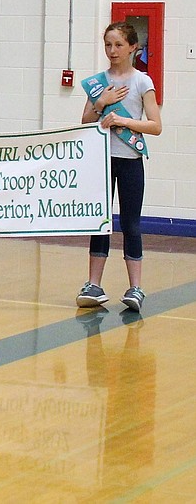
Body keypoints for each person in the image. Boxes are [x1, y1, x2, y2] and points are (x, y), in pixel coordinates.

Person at [76, 21, 162, 312]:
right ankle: (93, 284)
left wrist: (123, 120)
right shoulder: (98, 82)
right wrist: (101, 102)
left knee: (131, 223)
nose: (112, 51)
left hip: (130, 161)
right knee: (99, 220)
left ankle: (135, 288)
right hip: (102, 159)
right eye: (108, 45)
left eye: (118, 45)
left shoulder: (142, 82)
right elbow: (86, 121)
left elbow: (155, 125)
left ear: (133, 47)